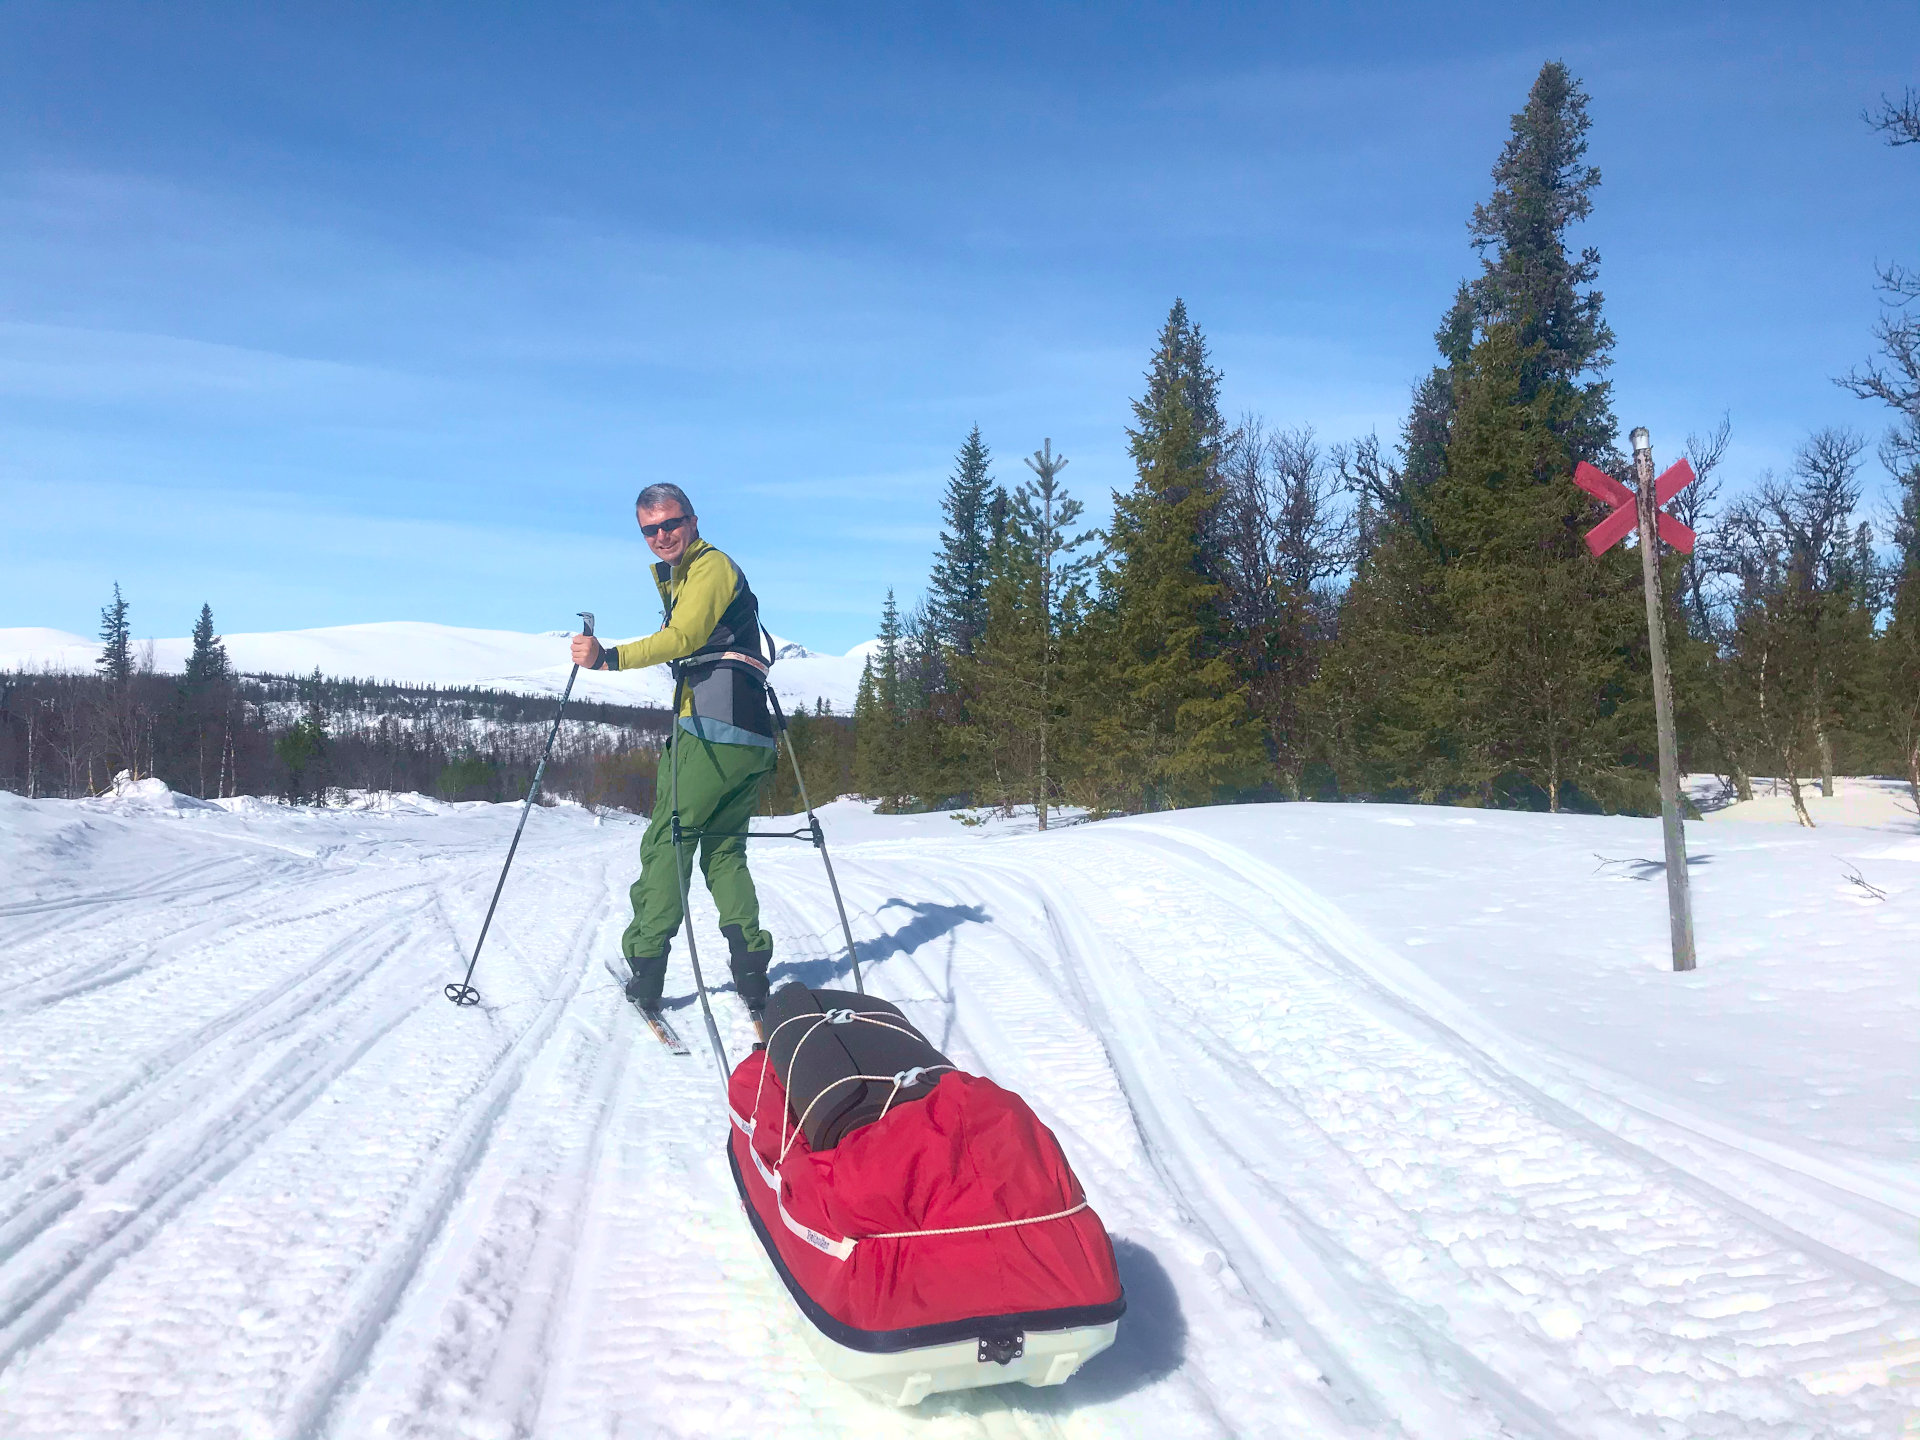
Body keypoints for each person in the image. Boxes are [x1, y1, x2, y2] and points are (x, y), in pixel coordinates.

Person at [570, 483, 779, 1013]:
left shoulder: (711, 567)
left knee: (670, 840)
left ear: (692, 520)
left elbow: (684, 637)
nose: (662, 536)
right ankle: (752, 968)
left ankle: (647, 967)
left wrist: (608, 659)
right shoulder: (690, 575)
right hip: (752, 732)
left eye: (671, 523)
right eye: (650, 529)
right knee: (724, 849)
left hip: (710, 727)